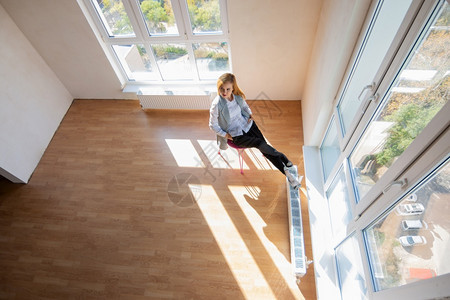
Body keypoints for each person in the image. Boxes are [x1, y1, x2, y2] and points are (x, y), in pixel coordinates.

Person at [209, 73, 301, 189]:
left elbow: (245, 107)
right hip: (235, 135)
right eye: (221, 89)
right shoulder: (217, 104)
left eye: (228, 89)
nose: (224, 92)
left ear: (233, 88)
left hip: (247, 125)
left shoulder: (237, 97)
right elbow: (212, 125)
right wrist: (225, 135)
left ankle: (288, 174)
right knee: (260, 144)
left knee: (265, 149)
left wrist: (250, 113)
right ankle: (282, 157)